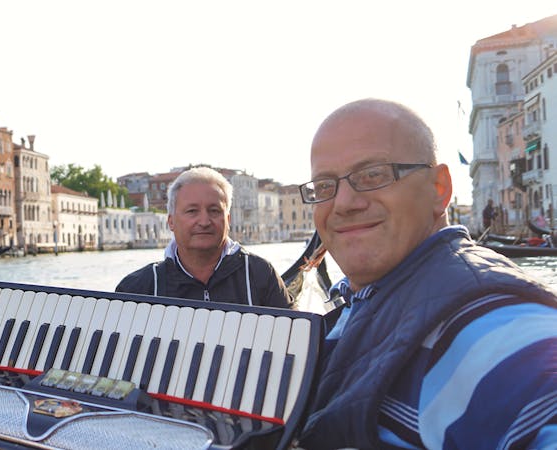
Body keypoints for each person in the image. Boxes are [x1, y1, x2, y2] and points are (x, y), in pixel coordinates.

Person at [296, 98, 556, 449]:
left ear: (439, 189)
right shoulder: (360, 297)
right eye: (325, 186)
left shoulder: (496, 327)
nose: (343, 203)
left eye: (373, 175)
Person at [115, 166, 292, 308]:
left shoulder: (260, 274)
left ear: (228, 220)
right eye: (192, 211)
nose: (204, 221)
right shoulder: (137, 289)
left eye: (214, 211)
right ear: (171, 222)